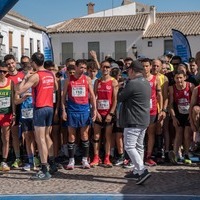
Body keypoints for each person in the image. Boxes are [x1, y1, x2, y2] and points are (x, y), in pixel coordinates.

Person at [16, 52, 58, 180]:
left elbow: (19, 91)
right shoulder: (50, 74)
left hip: (40, 108)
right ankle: (52, 164)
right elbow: (55, 88)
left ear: (34, 63)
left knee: (40, 140)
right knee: (46, 136)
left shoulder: (36, 76)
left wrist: (25, 78)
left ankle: (44, 169)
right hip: (49, 107)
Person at [118, 60, 151, 185]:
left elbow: (121, 97)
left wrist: (121, 88)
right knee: (139, 146)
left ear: (132, 70)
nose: (128, 74)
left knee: (130, 146)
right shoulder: (146, 82)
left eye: (128, 72)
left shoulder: (132, 83)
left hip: (133, 119)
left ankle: (142, 171)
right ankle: (137, 170)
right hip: (143, 119)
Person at [62, 59, 96, 170]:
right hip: (72, 109)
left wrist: (94, 110)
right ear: (75, 67)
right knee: (71, 135)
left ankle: (84, 160)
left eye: (85, 68)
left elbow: (92, 95)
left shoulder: (87, 79)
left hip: (84, 109)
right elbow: (63, 97)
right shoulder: (68, 80)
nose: (83, 70)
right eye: (81, 67)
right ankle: (71, 160)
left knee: (84, 135)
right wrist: (63, 110)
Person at [90, 60, 118, 168]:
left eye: (107, 67)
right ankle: (96, 157)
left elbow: (115, 100)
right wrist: (95, 111)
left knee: (107, 136)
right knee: (96, 136)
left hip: (108, 112)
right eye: (103, 67)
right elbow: (94, 97)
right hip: (99, 112)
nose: (105, 69)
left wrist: (111, 114)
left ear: (110, 69)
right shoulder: (98, 81)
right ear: (100, 68)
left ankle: (107, 157)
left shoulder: (113, 82)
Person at [14, 56, 36, 171]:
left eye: (30, 74)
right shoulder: (20, 86)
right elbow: (16, 100)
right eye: (26, 74)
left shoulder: (35, 84)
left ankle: (40, 159)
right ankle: (30, 161)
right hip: (24, 113)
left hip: (35, 112)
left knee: (37, 137)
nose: (28, 76)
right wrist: (23, 98)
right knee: (27, 137)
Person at [169, 70, 194, 164]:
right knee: (178, 133)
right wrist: (174, 117)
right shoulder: (172, 88)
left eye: (180, 78)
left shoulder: (190, 86)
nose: (179, 80)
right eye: (177, 78)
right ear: (174, 78)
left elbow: (194, 101)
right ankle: (175, 154)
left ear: (185, 77)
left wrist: (191, 114)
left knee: (187, 134)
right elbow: (171, 104)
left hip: (189, 113)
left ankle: (186, 154)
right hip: (178, 113)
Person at [4, 54, 24, 169]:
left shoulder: (22, 75)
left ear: (15, 62)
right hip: (13, 108)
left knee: (28, 134)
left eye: (12, 63)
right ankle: (17, 157)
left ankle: (31, 156)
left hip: (25, 106)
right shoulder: (6, 77)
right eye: (8, 64)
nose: (11, 66)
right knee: (14, 134)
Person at [0, 61, 15, 171]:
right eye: (0, 71)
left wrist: (14, 113)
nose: (1, 73)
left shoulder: (11, 82)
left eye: (4, 71)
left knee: (6, 138)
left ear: (6, 73)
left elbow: (13, 99)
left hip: (6, 114)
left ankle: (4, 161)